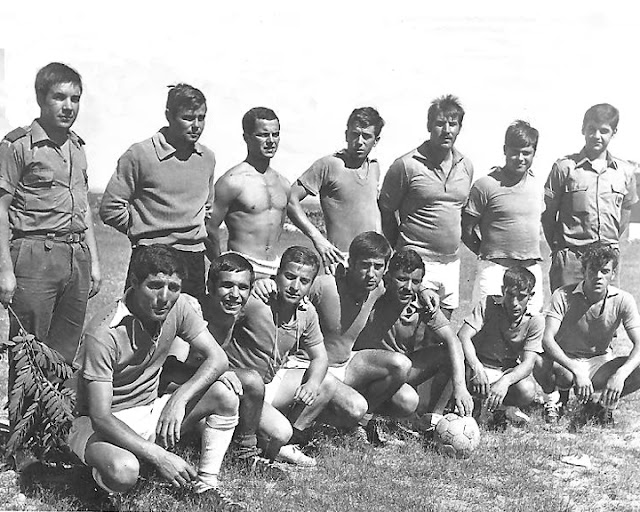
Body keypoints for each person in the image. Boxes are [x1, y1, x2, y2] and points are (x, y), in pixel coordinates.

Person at [68, 245, 241, 506]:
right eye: (155, 286)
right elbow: (100, 416)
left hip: (148, 410)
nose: (164, 297)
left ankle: (205, 486)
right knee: (124, 471)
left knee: (225, 394)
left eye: (173, 287)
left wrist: (178, 400)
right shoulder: (104, 334)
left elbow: (218, 358)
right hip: (99, 423)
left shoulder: (177, 306)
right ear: (134, 282)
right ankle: (90, 477)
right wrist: (159, 456)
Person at [256, 232, 446, 444]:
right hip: (309, 365)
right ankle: (307, 429)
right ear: (351, 263)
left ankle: (360, 423)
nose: (371, 274)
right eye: (364, 265)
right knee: (355, 407)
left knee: (401, 367)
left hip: (346, 364)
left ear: (385, 270)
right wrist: (264, 283)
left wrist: (425, 289)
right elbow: (292, 286)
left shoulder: (378, 288)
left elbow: (406, 280)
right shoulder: (326, 286)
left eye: (378, 267)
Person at [0, 62, 101, 368]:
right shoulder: (18, 146)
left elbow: (83, 208)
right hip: (34, 256)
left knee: (63, 358)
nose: (68, 106)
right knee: (29, 355)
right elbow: (0, 209)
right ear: (41, 98)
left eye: (75, 99)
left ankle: (54, 404)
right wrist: (5, 270)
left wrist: (94, 263)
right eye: (59, 97)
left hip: (76, 256)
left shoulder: (77, 147)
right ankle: (27, 404)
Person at [160, 253, 290, 474]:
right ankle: (240, 453)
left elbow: (288, 299)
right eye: (227, 285)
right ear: (210, 287)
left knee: (280, 432)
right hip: (173, 395)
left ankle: (243, 449)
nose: (235, 294)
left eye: (243, 287)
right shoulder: (193, 312)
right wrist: (216, 372)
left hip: (206, 390)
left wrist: (294, 297)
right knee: (249, 380)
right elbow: (169, 370)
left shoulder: (237, 311)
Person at [99, 84, 216, 302]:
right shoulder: (140, 154)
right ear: (169, 116)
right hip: (150, 257)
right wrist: (143, 231)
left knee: (189, 320)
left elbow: (207, 209)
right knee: (142, 320)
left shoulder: (207, 158)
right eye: (188, 118)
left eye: (201, 118)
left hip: (193, 259)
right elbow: (110, 208)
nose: (196, 126)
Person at [225, 246, 339, 466]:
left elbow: (320, 357)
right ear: (277, 274)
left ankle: (287, 443)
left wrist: (312, 385)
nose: (295, 287)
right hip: (241, 386)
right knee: (279, 431)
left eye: (304, 281)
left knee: (325, 382)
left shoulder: (307, 312)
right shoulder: (257, 300)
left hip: (268, 384)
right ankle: (255, 442)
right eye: (289, 277)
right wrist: (257, 284)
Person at [379, 94, 474, 319]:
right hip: (416, 262)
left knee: (441, 329)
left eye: (453, 124)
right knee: (410, 328)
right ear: (429, 125)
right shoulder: (406, 165)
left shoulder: (466, 166)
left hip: (451, 262)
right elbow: (386, 210)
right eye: (440, 123)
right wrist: (403, 252)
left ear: (460, 128)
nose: (447, 130)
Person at [353, 249, 472, 423]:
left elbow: (452, 340)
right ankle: (365, 418)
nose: (408, 288)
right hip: (368, 370)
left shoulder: (423, 303)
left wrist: (460, 387)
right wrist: (422, 288)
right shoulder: (376, 292)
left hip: (400, 370)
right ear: (388, 277)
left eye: (415, 282)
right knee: (406, 398)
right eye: (402, 279)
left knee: (448, 353)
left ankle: (433, 419)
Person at [536, 242, 640, 425]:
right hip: (566, 363)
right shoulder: (563, 295)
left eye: (605, 271)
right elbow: (547, 339)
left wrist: (620, 374)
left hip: (599, 363)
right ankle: (554, 400)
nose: (598, 276)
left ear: (613, 274)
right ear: (583, 271)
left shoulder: (623, 299)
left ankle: (601, 405)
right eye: (593, 270)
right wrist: (575, 369)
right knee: (537, 360)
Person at [542, 103, 638, 292]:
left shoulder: (625, 172)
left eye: (604, 131)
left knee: (606, 309)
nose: (597, 135)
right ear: (583, 129)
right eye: (591, 129)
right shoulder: (565, 168)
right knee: (566, 308)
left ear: (614, 132)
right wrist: (559, 249)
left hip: (606, 259)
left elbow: (625, 212)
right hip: (572, 258)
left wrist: (609, 245)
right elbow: (548, 215)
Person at [287, 107, 384, 274]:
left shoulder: (374, 167)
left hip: (372, 262)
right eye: (355, 134)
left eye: (366, 136)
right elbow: (290, 199)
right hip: (340, 260)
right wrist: (318, 238)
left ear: (376, 141)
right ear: (346, 135)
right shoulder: (329, 165)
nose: (359, 141)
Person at [462, 120, 544, 312]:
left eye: (526, 153)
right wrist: (489, 254)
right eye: (515, 152)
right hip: (494, 270)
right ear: (505, 150)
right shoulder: (485, 185)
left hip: (530, 270)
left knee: (530, 322)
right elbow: (466, 229)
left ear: (534, 153)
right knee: (487, 321)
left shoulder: (538, 186)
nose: (520, 158)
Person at [207, 107, 289, 278]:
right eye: (263, 135)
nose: (271, 141)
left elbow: (278, 228)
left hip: (275, 269)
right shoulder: (232, 181)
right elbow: (209, 228)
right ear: (247, 137)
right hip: (242, 270)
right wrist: (222, 268)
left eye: (275, 134)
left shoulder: (283, 184)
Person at [457, 267, 544, 427]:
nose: (515, 303)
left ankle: (500, 408)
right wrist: (476, 367)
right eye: (510, 295)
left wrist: (505, 381)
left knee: (527, 390)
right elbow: (463, 335)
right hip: (477, 366)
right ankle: (475, 404)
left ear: (531, 296)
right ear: (503, 290)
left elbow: (528, 364)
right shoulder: (488, 303)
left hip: (504, 370)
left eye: (521, 297)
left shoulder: (535, 320)